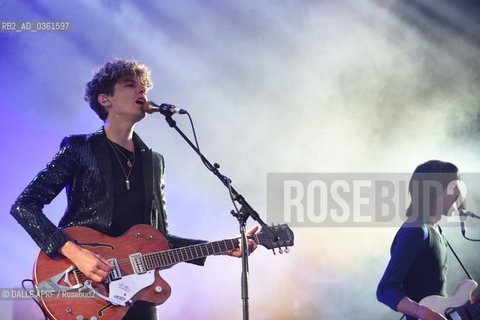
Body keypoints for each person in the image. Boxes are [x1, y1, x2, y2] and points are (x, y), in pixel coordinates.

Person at [10, 59, 257, 319]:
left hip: (138, 295)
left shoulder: (153, 161)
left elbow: (159, 239)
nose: (142, 92)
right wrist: (75, 252)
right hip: (83, 284)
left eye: (145, 88)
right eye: (131, 85)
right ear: (105, 99)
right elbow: (24, 206)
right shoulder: (79, 148)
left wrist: (223, 247)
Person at [376, 160, 462, 320]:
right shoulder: (416, 230)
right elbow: (385, 289)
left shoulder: (435, 230)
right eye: (453, 187)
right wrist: (422, 312)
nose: (458, 193)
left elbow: (434, 294)